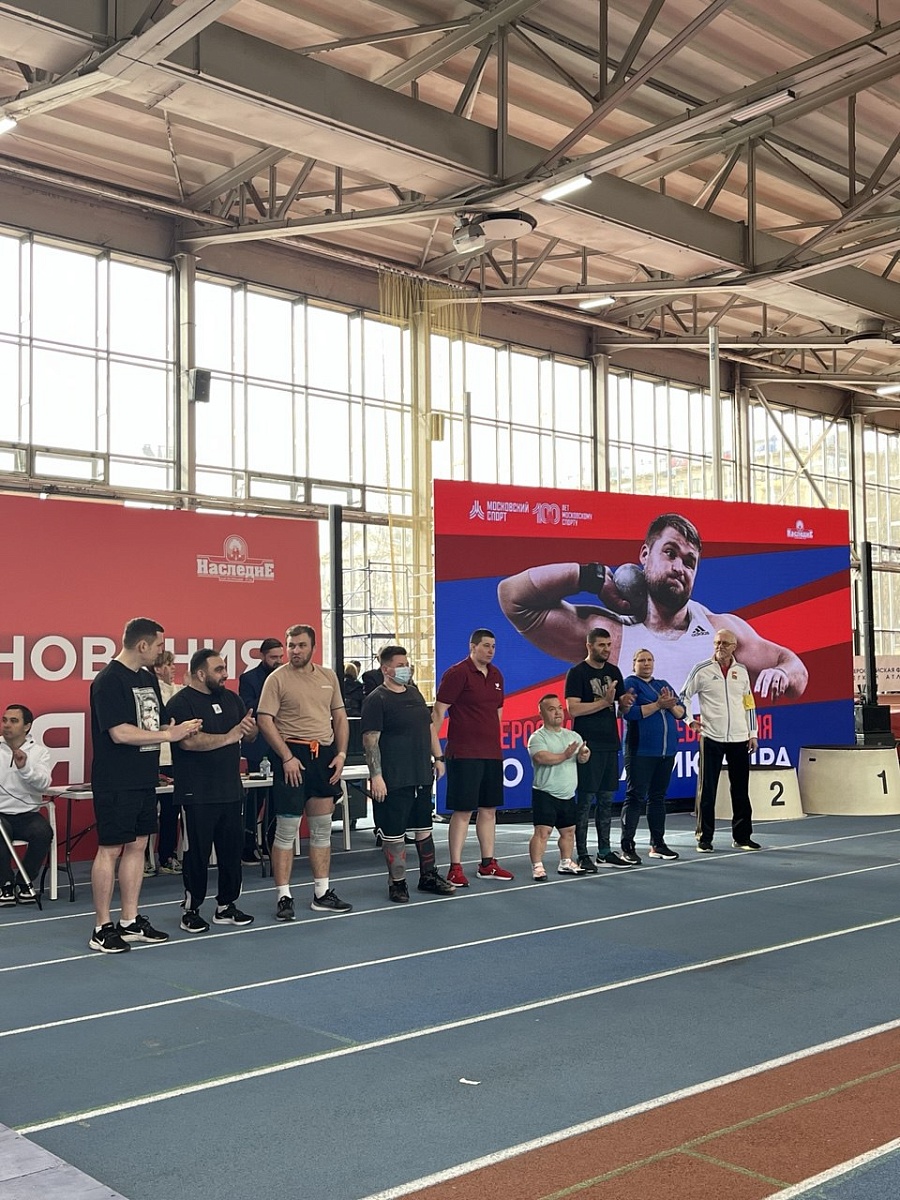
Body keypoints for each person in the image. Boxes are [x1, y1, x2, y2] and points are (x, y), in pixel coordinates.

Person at [497, 512, 808, 698]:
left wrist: (782, 673)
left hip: (703, 759)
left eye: (689, 562)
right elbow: (513, 598)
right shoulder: (610, 633)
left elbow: (795, 669)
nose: (679, 567)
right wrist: (590, 577)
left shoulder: (720, 630)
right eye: (669, 553)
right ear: (645, 555)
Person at [88, 617, 202, 953]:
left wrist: (181, 727)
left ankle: (129, 920)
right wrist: (168, 735)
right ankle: (101, 927)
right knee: (110, 848)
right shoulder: (109, 680)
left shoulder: (147, 677)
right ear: (142, 645)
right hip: (115, 778)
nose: (161, 651)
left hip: (144, 776)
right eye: (159, 646)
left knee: (138, 846)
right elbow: (120, 732)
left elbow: (157, 722)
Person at [257, 624, 352, 919]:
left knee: (322, 829)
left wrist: (341, 754)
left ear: (313, 647)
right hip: (292, 757)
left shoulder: (328, 676)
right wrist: (286, 757)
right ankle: (284, 897)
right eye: (291, 645)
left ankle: (321, 893)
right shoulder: (276, 679)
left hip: (323, 757)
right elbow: (264, 720)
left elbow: (340, 717)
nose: (295, 650)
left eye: (301, 645)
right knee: (287, 830)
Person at [167, 650, 258, 933]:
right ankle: (191, 909)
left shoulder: (232, 699)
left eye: (224, 668)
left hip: (230, 790)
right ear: (200, 673)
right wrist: (230, 736)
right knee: (197, 853)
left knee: (232, 851)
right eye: (218, 669)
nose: (225, 674)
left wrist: (249, 729)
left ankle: (226, 905)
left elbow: (248, 735)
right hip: (197, 793)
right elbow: (189, 742)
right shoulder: (181, 703)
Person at [361, 645, 455, 902]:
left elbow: (429, 728)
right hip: (394, 778)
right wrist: (376, 776)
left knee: (424, 828)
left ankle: (428, 877)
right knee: (394, 834)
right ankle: (397, 883)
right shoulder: (376, 700)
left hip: (420, 775)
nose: (406, 668)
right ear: (386, 669)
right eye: (400, 665)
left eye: (406, 664)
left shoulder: (414, 693)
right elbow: (370, 741)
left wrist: (439, 757)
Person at [432, 628, 514, 886]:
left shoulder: (497, 675)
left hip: (491, 754)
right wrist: (435, 752)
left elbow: (498, 711)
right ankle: (454, 868)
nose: (491, 650)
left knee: (489, 810)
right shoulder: (457, 673)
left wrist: (494, 741)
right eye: (486, 645)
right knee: (463, 811)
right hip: (464, 753)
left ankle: (487, 864)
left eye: (493, 646)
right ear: (473, 646)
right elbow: (439, 712)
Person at [681, 629, 760, 853]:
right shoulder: (702, 669)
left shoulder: (741, 671)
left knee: (741, 790)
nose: (720, 646)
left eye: (725, 643)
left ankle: (743, 837)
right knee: (707, 790)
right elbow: (683, 696)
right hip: (711, 737)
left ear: (734, 646)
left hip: (739, 737)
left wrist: (752, 732)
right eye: (717, 642)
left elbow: (749, 702)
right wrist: (689, 721)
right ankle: (704, 838)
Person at [564, 627, 634, 871]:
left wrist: (625, 703)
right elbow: (573, 709)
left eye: (609, 644)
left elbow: (621, 709)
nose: (606, 649)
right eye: (601, 645)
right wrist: (603, 702)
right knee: (585, 801)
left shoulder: (614, 672)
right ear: (589, 646)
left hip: (610, 743)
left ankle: (604, 851)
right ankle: (582, 854)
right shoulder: (577, 673)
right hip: (587, 746)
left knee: (606, 800)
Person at [620, 649, 685, 863]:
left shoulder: (662, 685)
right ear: (634, 664)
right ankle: (627, 846)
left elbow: (681, 712)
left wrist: (669, 704)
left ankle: (658, 844)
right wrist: (658, 705)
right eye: (641, 660)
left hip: (666, 752)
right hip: (640, 751)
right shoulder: (630, 684)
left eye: (649, 660)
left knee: (658, 798)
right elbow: (630, 713)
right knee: (635, 797)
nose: (646, 663)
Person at [526, 694, 591, 880]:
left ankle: (566, 862)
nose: (557, 712)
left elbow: (583, 755)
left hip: (567, 794)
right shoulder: (537, 738)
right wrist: (565, 755)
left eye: (560, 708)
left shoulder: (573, 736)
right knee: (542, 832)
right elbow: (541, 757)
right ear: (542, 713)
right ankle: (537, 866)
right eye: (551, 709)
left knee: (569, 832)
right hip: (545, 793)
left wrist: (584, 755)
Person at [0, 704, 53, 905]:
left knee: (43, 833)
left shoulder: (39, 752)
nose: (7, 725)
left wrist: (24, 769)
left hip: (27, 814)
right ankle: (4, 884)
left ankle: (24, 882)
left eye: (14, 721)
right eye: (5, 720)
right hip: (1, 814)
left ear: (27, 726)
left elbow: (44, 784)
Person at [238, 637, 284, 864]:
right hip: (258, 745)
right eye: (273, 657)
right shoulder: (249, 678)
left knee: (277, 797)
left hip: (282, 743)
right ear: (262, 656)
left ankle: (270, 842)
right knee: (255, 798)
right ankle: (247, 843)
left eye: (280, 657)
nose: (278, 661)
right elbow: (248, 707)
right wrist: (271, 694)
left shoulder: (286, 676)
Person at [149, 649, 181, 875]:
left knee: (171, 811)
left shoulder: (178, 690)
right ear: (158, 668)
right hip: (154, 757)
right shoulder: (152, 691)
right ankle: (145, 858)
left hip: (174, 758)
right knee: (148, 812)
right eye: (169, 665)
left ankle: (167, 855)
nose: (173, 668)